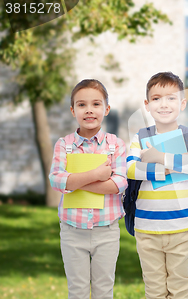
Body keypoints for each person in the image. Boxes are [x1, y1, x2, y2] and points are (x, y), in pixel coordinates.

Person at [126, 72, 188, 299]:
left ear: (182, 103)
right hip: (147, 229)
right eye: (156, 98)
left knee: (180, 289)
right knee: (154, 290)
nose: (164, 104)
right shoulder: (139, 137)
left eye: (171, 98)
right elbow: (131, 169)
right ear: (147, 105)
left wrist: (158, 156)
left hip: (181, 227)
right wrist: (171, 168)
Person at [49, 79, 127, 299]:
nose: (89, 110)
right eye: (82, 105)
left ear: (106, 109)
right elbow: (56, 180)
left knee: (104, 290)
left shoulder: (115, 144)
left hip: (107, 230)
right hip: (72, 231)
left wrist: (75, 182)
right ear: (73, 110)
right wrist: (95, 176)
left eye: (96, 104)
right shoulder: (63, 144)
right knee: (78, 290)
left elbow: (118, 183)